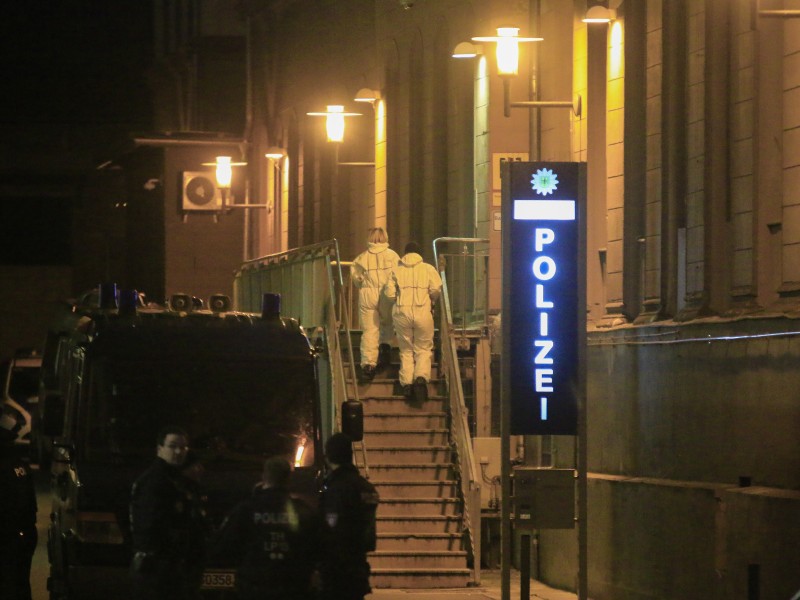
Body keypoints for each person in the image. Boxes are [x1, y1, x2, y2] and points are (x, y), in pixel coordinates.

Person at [208, 456, 322, 600]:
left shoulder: (246, 510)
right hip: (293, 590)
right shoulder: (304, 512)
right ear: (288, 479)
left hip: (254, 589)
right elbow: (319, 549)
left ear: (264, 477)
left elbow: (222, 548)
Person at [129, 426, 206, 600]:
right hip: (157, 569)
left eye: (183, 447)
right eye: (172, 446)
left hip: (171, 567)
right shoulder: (155, 483)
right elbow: (150, 528)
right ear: (159, 449)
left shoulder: (176, 480)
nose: (178, 451)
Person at [319, 433, 379, 600]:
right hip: (358, 567)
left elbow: (330, 527)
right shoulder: (367, 488)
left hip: (337, 571)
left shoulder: (337, 489)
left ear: (328, 456)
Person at [384, 241, 443, 400]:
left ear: (404, 254)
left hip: (402, 312)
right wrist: (431, 299)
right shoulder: (428, 269)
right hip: (422, 311)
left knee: (406, 349)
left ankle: (406, 384)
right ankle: (421, 377)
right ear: (419, 254)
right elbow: (436, 288)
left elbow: (389, 294)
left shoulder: (395, 270)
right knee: (423, 348)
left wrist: (398, 299)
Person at [351, 227, 400, 380]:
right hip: (386, 293)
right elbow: (398, 275)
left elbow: (357, 280)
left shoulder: (361, 258)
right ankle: (385, 350)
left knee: (370, 329)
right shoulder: (393, 256)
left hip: (368, 294)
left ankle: (368, 364)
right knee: (387, 323)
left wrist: (364, 286)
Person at [0, 404, 37, 600]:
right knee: (19, 585)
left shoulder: (6, 467)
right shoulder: (19, 465)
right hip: (22, 534)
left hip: (9, 537)